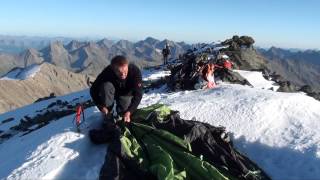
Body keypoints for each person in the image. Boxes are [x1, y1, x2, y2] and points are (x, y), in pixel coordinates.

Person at [90, 55, 143, 123]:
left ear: (127, 66)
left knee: (124, 112)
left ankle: (122, 110)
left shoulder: (135, 71)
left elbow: (138, 94)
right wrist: (101, 107)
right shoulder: (107, 72)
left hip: (126, 93)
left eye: (125, 71)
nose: (123, 75)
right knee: (105, 86)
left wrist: (129, 112)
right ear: (113, 69)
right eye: (119, 72)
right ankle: (108, 113)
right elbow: (93, 89)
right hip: (111, 91)